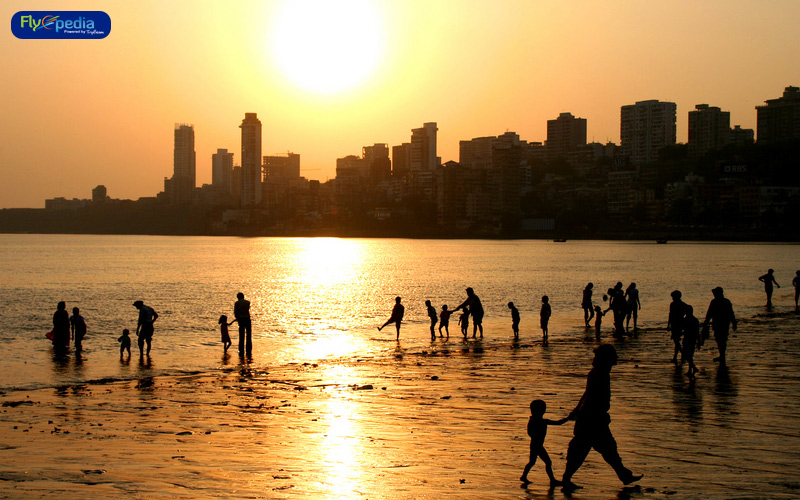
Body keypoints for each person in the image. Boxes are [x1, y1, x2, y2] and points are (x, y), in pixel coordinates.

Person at [561, 344, 642, 489]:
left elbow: (587, 394)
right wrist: (582, 412)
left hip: (591, 417)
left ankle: (624, 475)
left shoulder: (598, 373)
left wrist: (577, 411)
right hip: (592, 419)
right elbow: (591, 396)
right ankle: (567, 479)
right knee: (591, 449)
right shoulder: (599, 374)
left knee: (602, 449)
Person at [520, 399, 568, 486]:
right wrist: (568, 418)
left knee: (532, 462)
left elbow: (530, 433)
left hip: (535, 445)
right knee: (547, 462)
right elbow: (558, 423)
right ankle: (552, 480)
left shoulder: (534, 421)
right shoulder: (539, 421)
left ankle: (524, 476)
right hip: (537, 445)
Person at [702, 287, 737, 365]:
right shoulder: (726, 301)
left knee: (720, 339)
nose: (714, 295)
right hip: (723, 323)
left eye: (715, 293)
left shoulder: (715, 302)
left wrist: (706, 322)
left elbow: (709, 313)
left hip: (719, 323)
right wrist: (734, 323)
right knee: (722, 339)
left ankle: (722, 356)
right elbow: (731, 313)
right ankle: (722, 355)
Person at [666, 290, 686, 363]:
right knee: (676, 340)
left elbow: (670, 315)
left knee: (676, 340)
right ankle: (676, 356)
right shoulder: (682, 304)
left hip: (676, 324)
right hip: (679, 323)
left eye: (673, 297)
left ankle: (682, 354)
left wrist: (669, 325)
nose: (672, 298)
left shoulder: (674, 304)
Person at [682, 305, 700, 378]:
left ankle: (693, 368)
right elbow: (697, 332)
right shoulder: (695, 319)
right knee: (689, 355)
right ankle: (691, 369)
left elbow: (683, 328)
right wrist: (698, 341)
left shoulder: (687, 319)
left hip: (688, 338)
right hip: (692, 339)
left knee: (687, 355)